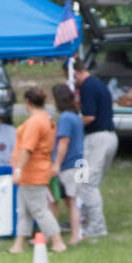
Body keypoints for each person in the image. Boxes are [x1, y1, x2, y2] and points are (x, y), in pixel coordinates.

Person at [8, 86, 67, 255]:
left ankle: (57, 242)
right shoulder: (47, 119)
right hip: (38, 170)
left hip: (32, 172)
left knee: (39, 210)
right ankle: (19, 244)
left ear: (27, 102)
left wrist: (18, 169)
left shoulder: (35, 122)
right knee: (24, 211)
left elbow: (27, 148)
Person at [71, 57, 117, 239]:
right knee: (88, 182)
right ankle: (84, 219)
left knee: (87, 184)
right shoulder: (98, 84)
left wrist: (73, 125)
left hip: (96, 138)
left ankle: (97, 227)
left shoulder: (87, 87)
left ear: (75, 73)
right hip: (109, 137)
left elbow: (89, 116)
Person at [50, 82, 85, 245]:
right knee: (74, 201)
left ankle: (74, 236)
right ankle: (76, 234)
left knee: (71, 202)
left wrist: (56, 163)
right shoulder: (76, 116)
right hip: (80, 163)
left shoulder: (64, 118)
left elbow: (63, 142)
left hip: (69, 165)